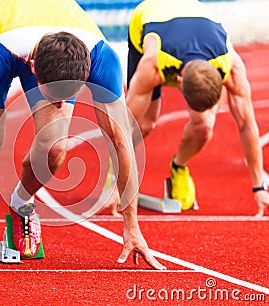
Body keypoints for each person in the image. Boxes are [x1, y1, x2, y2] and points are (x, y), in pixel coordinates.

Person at [0, 0, 166, 270]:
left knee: (55, 149)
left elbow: (121, 142)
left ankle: (21, 203)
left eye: (67, 99)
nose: (59, 106)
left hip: (49, 36)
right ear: (33, 71)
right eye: (56, 98)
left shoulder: (102, 60)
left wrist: (132, 226)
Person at [107, 0, 269, 215]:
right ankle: (112, 175)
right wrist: (116, 182)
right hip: (151, 17)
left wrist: (259, 187)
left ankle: (179, 166)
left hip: (195, 15)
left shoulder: (232, 67)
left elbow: (247, 125)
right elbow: (123, 127)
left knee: (204, 127)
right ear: (179, 80)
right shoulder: (153, 64)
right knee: (145, 123)